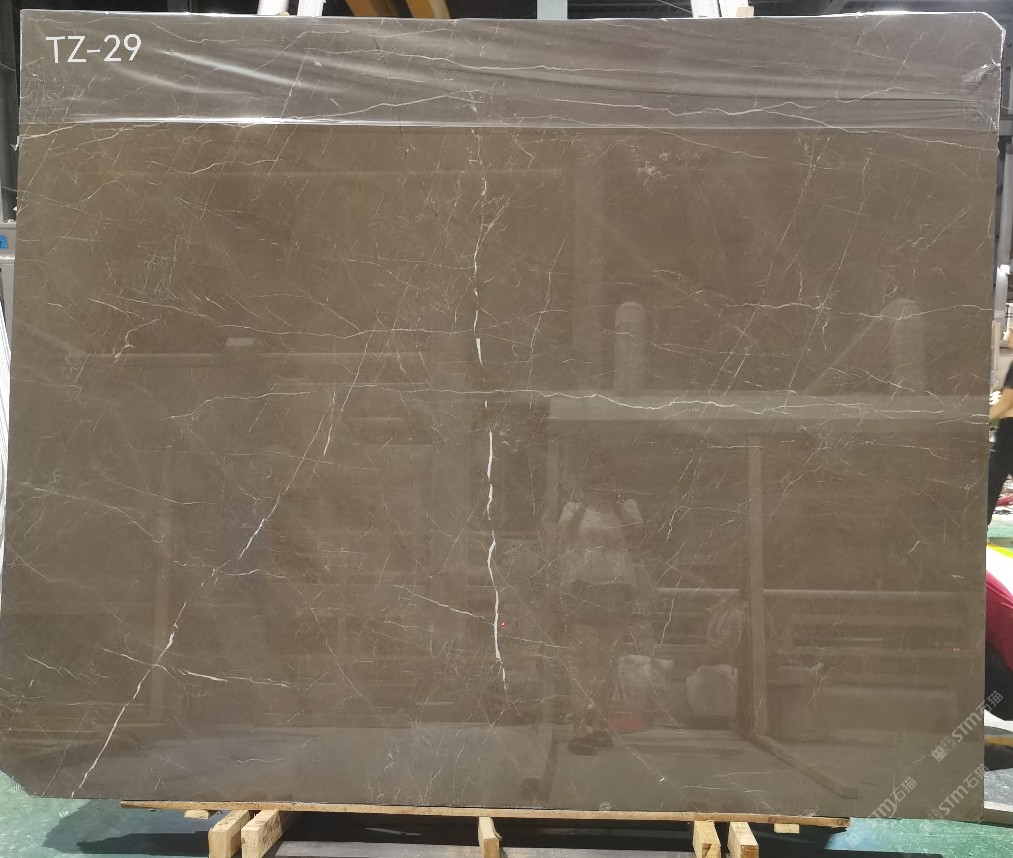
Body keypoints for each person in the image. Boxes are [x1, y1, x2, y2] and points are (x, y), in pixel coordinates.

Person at [555, 473, 642, 755]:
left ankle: (601, 726)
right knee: (582, 660)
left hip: (615, 590)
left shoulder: (625, 509)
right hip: (584, 588)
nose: (602, 488)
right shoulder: (574, 509)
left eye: (607, 482)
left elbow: (639, 538)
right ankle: (580, 730)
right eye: (596, 483)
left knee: (608, 661)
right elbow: (565, 536)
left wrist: (617, 504)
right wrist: (585, 503)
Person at [989, 361, 1013, 523]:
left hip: (1010, 431)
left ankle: (978, 524)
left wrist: (981, 420)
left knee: (993, 478)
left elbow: (1007, 400)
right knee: (993, 476)